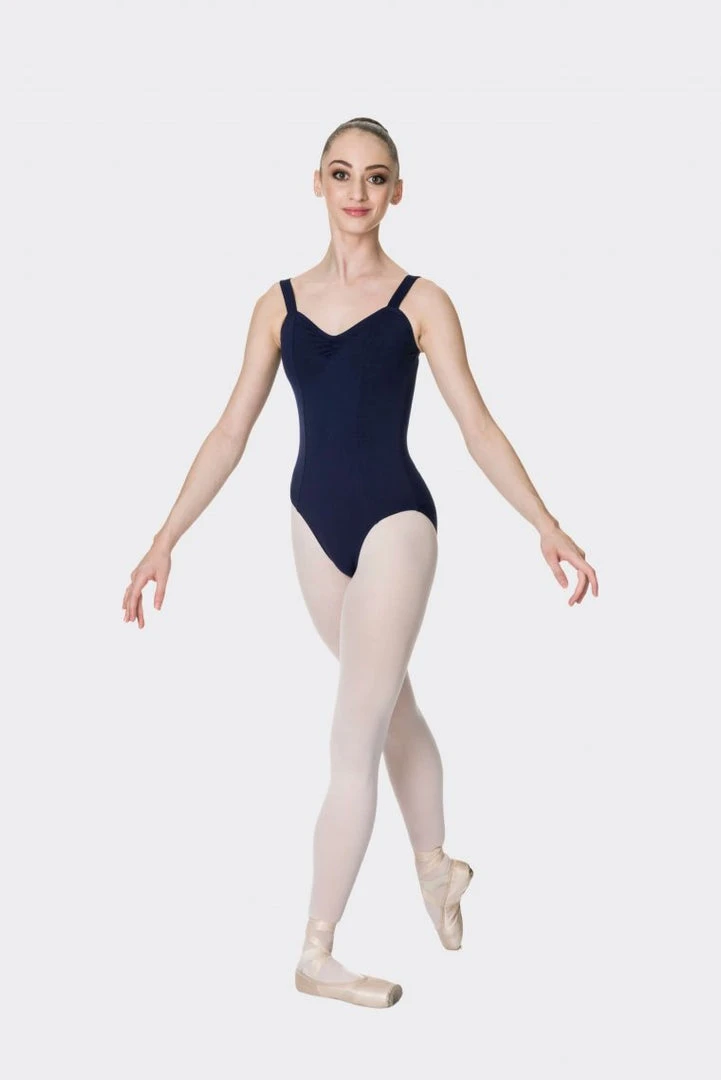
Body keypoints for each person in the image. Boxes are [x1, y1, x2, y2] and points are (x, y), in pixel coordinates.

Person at [121, 116, 599, 1009]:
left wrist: (546, 523)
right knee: (389, 705)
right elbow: (230, 432)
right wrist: (163, 540)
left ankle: (316, 950)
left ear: (396, 192)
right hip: (312, 526)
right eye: (341, 174)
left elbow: (476, 425)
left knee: (353, 733)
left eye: (375, 177)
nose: (356, 191)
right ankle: (437, 865)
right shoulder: (277, 305)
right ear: (317, 183)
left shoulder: (422, 302)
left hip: (395, 523)